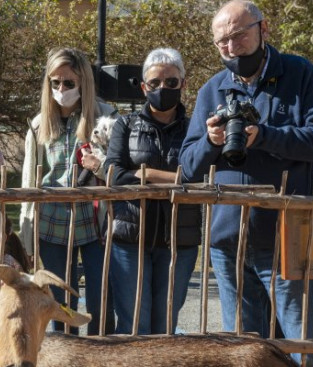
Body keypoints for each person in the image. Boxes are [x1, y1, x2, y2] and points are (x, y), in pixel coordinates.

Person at [179, 1, 313, 364]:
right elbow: (187, 166)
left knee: (305, 347)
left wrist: (264, 135)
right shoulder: (212, 90)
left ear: (263, 30)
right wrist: (211, 142)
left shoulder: (299, 74)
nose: (231, 48)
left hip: (286, 239)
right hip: (228, 245)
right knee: (244, 351)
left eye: (239, 36)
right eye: (222, 42)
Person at [103, 48, 201, 335]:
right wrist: (174, 179)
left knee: (165, 325)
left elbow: (201, 179)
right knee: (135, 324)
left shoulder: (195, 128)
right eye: (155, 83)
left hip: (178, 241)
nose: (163, 88)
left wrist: (144, 174)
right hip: (130, 237)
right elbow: (114, 174)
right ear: (144, 87)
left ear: (183, 84)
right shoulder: (125, 124)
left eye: (171, 82)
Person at [19, 47, 116, 335]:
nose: (61, 89)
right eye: (55, 82)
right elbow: (29, 180)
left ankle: (101, 355)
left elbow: (120, 169)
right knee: (60, 304)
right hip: (51, 224)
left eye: (69, 83)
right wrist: (27, 236)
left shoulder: (105, 117)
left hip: (94, 222)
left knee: (100, 299)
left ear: (83, 82)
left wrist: (100, 166)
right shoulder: (38, 124)